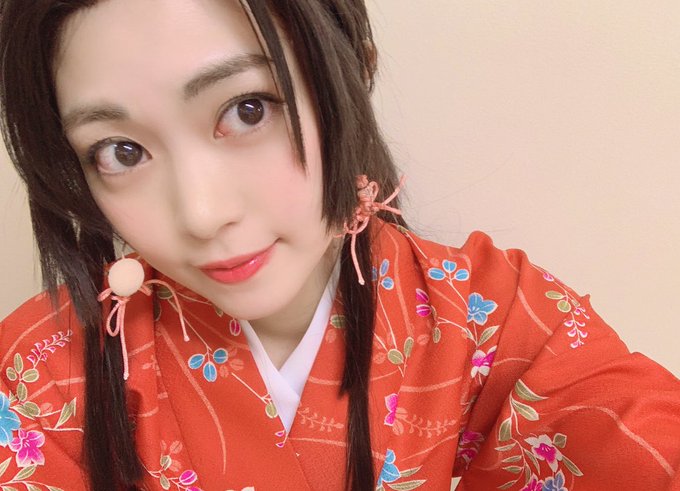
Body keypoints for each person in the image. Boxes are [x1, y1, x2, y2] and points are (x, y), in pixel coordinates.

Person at [0, 1, 677, 490]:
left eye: (247, 109)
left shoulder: (496, 320)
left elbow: (634, 441)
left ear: (353, 67)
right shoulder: (40, 379)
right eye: (120, 151)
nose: (202, 214)